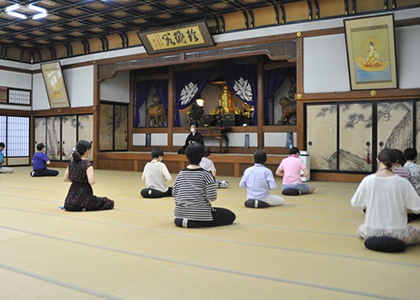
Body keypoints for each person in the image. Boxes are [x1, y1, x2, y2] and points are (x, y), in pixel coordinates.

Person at [351, 149, 420, 245]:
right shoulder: (402, 182)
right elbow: (417, 208)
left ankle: (372, 240)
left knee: (361, 228)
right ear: (396, 162)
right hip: (397, 233)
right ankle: (400, 242)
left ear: (377, 161)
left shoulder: (368, 180)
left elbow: (355, 203)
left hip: (372, 232)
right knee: (416, 232)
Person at [173, 143, 235, 228]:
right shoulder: (205, 174)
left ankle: (187, 220)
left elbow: (174, 192)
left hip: (179, 214)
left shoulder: (181, 174)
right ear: (202, 156)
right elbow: (212, 197)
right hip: (200, 214)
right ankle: (197, 220)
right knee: (230, 215)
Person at [63, 140, 114, 211]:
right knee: (108, 202)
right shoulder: (87, 164)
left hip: (70, 199)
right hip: (84, 196)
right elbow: (91, 182)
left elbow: (65, 179)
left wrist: (76, 180)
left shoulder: (71, 163)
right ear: (87, 151)